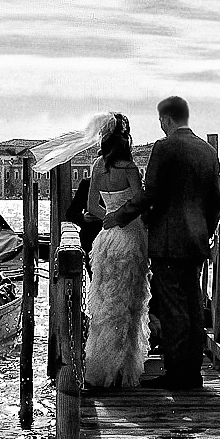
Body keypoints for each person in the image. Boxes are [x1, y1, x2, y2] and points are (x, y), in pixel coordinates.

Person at [105, 96, 220, 390]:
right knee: (194, 306)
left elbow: (151, 194)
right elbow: (216, 201)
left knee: (173, 309)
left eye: (160, 121)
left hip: (169, 241)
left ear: (167, 120)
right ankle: (192, 372)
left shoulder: (164, 147)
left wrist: (118, 217)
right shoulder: (208, 151)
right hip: (196, 241)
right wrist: (206, 230)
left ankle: (177, 374)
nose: (160, 125)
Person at [83, 113, 151, 388]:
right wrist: (122, 216)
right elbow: (140, 204)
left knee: (106, 303)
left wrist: (109, 216)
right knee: (129, 304)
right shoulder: (130, 169)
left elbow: (92, 207)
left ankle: (101, 368)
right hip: (131, 237)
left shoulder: (98, 165)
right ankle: (122, 371)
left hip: (106, 239)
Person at [64, 178, 102, 277]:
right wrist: (83, 218)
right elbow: (71, 213)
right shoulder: (87, 184)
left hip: (118, 237)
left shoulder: (126, 181)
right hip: (92, 238)